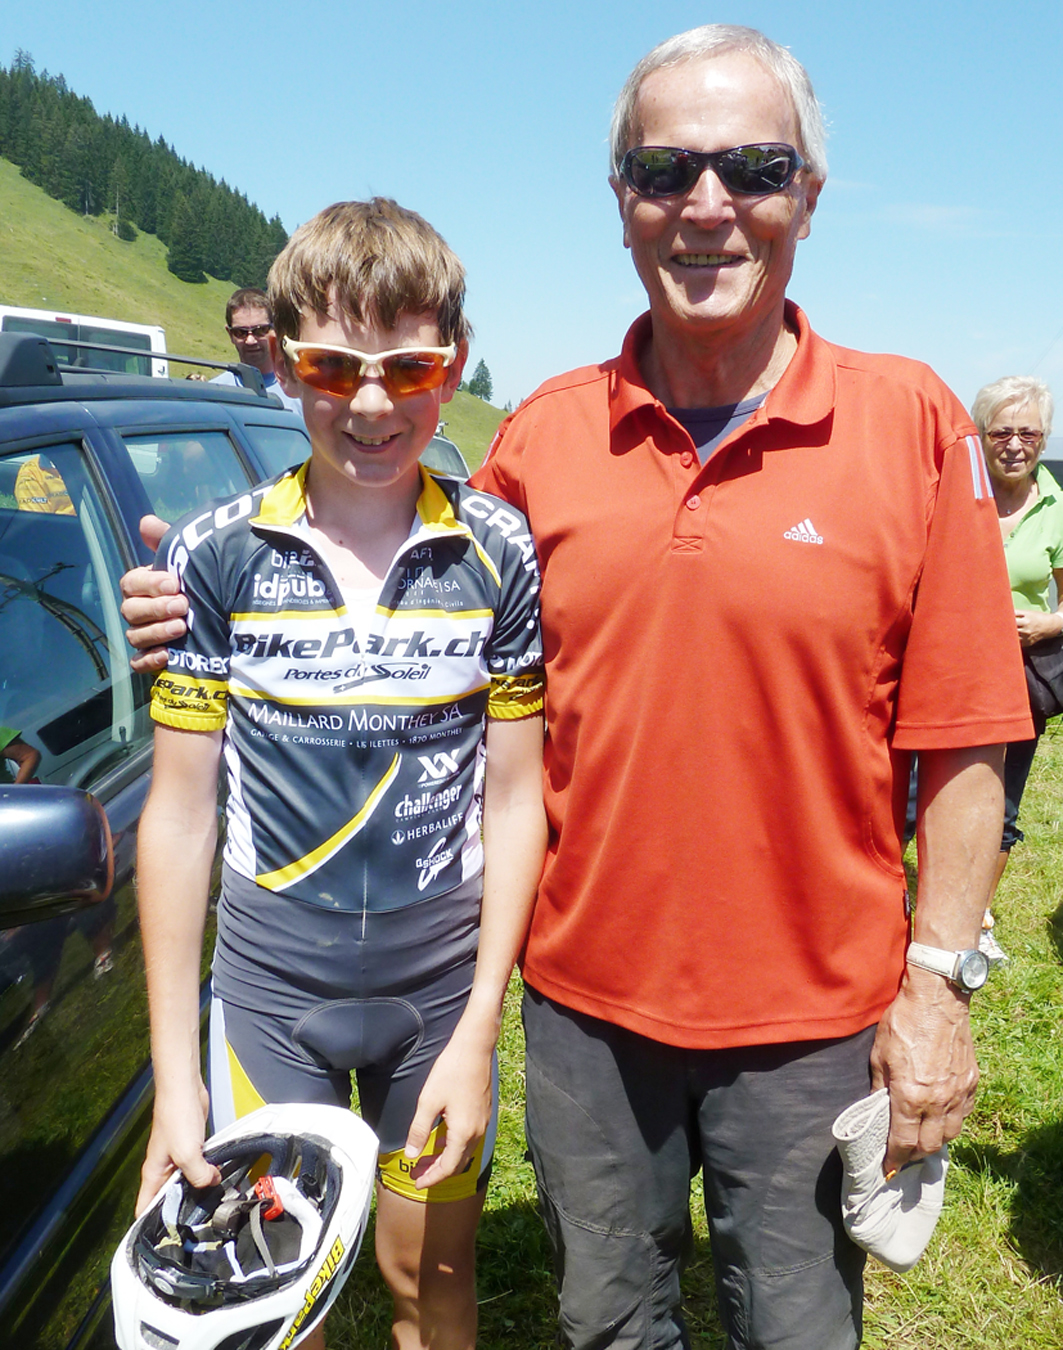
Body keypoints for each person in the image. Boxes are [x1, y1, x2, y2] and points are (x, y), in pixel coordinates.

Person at [121, 26, 1031, 1350]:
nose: (706, 204)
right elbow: (388, 558)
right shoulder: (541, 441)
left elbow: (965, 737)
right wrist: (200, 599)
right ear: (620, 198)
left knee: (796, 1328)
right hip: (583, 1018)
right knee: (607, 1323)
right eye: (664, 169)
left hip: (816, 1020)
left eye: (751, 167)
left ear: (807, 195)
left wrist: (937, 990)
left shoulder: (908, 425)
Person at [135, 198, 546, 1350]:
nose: (370, 404)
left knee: (431, 1284)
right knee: (274, 1306)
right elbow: (179, 818)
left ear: (451, 365)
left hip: (436, 995)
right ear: (281, 360)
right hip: (269, 994)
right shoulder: (216, 555)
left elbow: (518, 797)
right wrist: (175, 1077)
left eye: (408, 369)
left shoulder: (498, 551)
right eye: (331, 366)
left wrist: (480, 1026)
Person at [971, 375, 1062, 960]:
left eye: (1027, 433)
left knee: (1000, 803)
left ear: (1043, 438)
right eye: (1001, 432)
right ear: (980, 435)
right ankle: (894, 905)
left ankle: (976, 919)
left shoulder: (1058, 508)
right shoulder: (952, 494)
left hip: (1019, 678)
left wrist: (1050, 624)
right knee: (912, 794)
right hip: (949, 669)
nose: (1014, 445)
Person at [210, 285, 304, 415]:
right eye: (240, 332)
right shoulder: (214, 394)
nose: (250, 340)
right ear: (230, 334)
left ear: (276, 330)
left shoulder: (302, 392)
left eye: (260, 331)